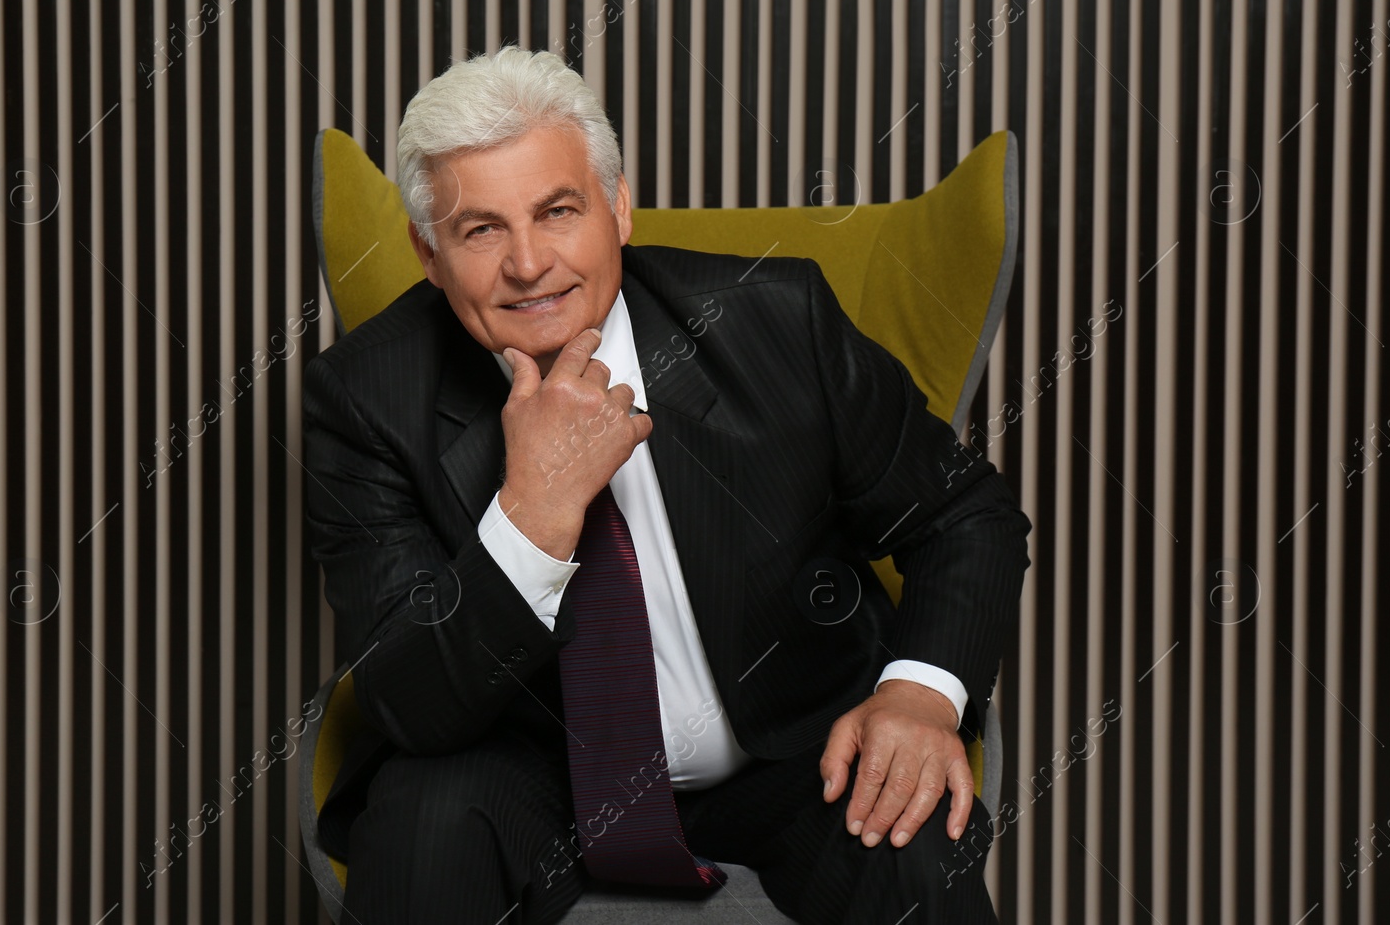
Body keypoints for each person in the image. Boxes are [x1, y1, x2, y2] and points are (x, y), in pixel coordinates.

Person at [302, 46, 1031, 924]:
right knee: (420, 823)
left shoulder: (777, 322)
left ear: (617, 206)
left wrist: (918, 693)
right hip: (526, 768)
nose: (529, 264)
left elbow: (964, 513)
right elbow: (409, 698)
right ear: (429, 253)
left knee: (915, 850)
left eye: (558, 210)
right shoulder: (364, 396)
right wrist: (533, 513)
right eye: (481, 229)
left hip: (792, 751)